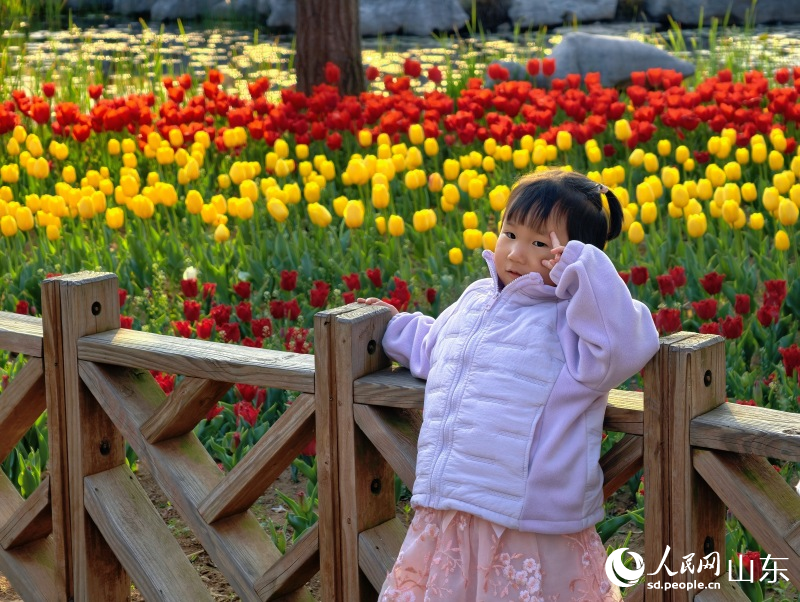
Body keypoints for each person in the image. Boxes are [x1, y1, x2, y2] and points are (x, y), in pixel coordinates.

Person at [357, 169, 660, 601]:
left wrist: (583, 271)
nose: (516, 254)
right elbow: (434, 347)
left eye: (540, 244)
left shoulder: (573, 326)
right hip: (452, 510)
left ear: (573, 255)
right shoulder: (476, 300)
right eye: (509, 233)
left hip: (529, 523)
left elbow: (626, 344)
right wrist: (389, 325)